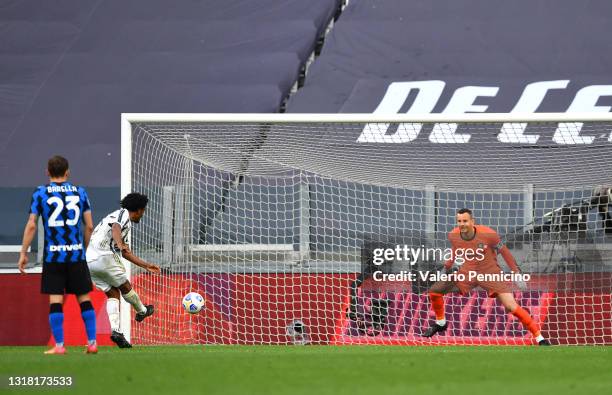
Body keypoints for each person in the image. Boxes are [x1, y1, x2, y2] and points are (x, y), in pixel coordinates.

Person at [422, 208, 551, 346]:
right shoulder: (454, 235)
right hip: (468, 273)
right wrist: (446, 268)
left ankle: (540, 338)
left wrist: (516, 273)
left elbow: (504, 252)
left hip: (490, 273)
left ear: (472, 221)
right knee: (435, 290)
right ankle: (441, 323)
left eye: (465, 221)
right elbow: (455, 250)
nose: (462, 224)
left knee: (511, 306)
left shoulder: (488, 234)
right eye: (459, 221)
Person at [18, 155, 98, 354]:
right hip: (76, 255)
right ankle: (92, 343)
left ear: (47, 172)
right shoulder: (80, 192)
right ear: (67, 172)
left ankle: (60, 346)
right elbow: (89, 226)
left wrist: (23, 253)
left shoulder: (40, 193)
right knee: (84, 297)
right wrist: (85, 250)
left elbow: (31, 225)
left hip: (54, 257)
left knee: (55, 299)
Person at [87, 193, 160, 348]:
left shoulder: (120, 220)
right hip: (104, 256)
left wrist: (145, 265)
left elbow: (126, 253)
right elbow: (116, 228)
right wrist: (119, 244)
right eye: (144, 211)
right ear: (139, 210)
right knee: (125, 286)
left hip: (90, 261)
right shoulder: (123, 215)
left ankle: (116, 332)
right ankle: (142, 310)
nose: (143, 214)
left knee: (112, 293)